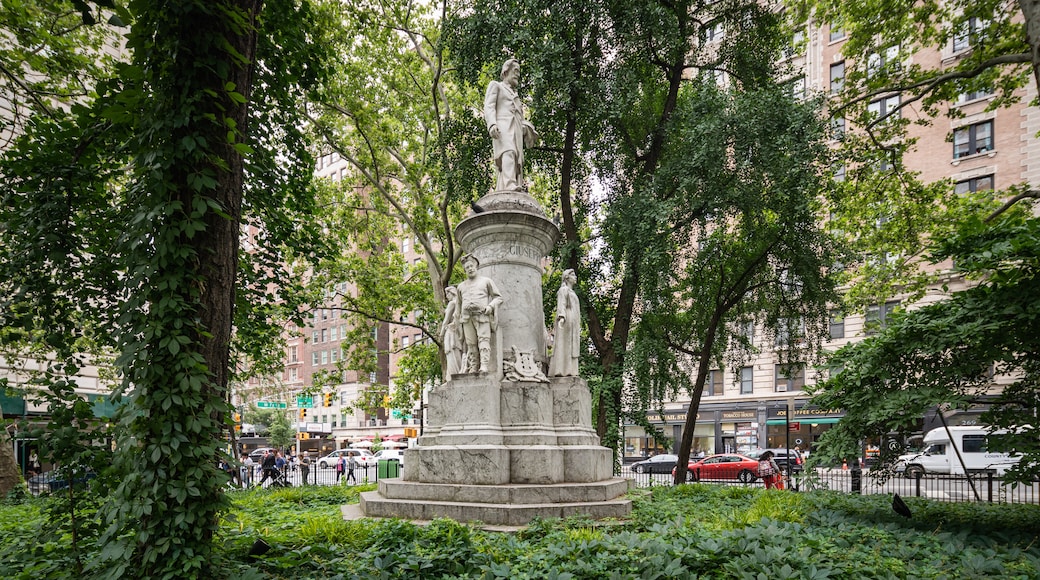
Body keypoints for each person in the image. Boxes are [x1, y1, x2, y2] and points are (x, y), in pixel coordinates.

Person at [483, 58, 537, 191]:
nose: (518, 74)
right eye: (516, 70)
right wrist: (491, 124)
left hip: (516, 131)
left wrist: (526, 128)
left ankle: (507, 186)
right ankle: (509, 185)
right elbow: (489, 106)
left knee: (515, 159)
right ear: (506, 71)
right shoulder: (496, 86)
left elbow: (518, 116)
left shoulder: (516, 96)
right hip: (502, 127)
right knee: (508, 152)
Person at [455, 254, 503, 373]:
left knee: (483, 340)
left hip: (482, 316)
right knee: (471, 344)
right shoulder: (461, 287)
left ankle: (484, 365)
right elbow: (458, 305)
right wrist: (457, 322)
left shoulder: (486, 281)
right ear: (465, 270)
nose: (470, 269)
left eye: (471, 266)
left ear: (476, 266)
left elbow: (498, 298)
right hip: (466, 318)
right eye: (467, 267)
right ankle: (473, 366)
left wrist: (490, 307)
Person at [548, 269, 580, 376]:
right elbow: (561, 304)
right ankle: (561, 370)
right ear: (567, 278)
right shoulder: (563, 290)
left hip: (573, 321)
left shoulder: (572, 292)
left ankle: (570, 370)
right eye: (573, 275)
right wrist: (561, 317)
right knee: (565, 343)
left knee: (571, 345)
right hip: (566, 319)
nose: (575, 277)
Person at [440, 286, 464, 380]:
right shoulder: (460, 304)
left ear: (452, 293)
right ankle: (457, 372)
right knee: (456, 351)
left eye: (447, 294)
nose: (447, 297)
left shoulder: (452, 303)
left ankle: (453, 375)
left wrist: (441, 334)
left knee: (451, 352)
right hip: (458, 331)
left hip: (451, 331)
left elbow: (446, 320)